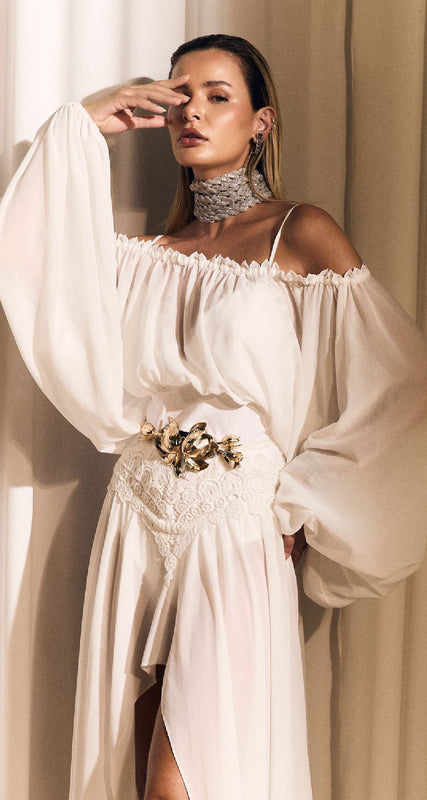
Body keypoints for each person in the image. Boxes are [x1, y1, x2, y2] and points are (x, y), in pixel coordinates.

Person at [1, 32, 427, 800]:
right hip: (134, 513)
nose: (190, 112)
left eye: (216, 96)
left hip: (233, 521)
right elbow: (28, 256)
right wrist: (85, 120)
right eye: (178, 96)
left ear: (261, 121)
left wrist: (307, 499)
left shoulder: (300, 232)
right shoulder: (144, 256)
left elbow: (402, 384)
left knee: (189, 779)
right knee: (129, 773)